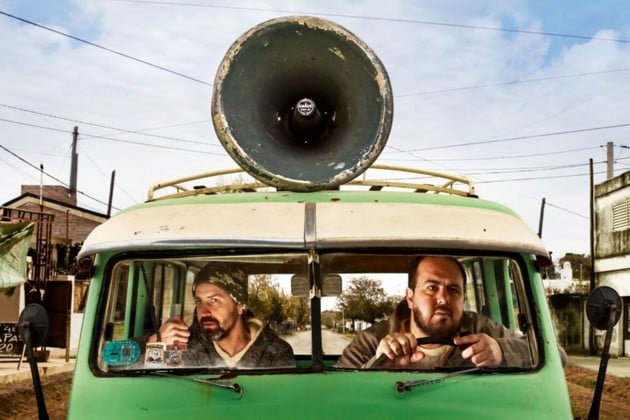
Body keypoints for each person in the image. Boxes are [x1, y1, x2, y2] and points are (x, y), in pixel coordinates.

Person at [336, 256, 531, 369]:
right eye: (431, 287)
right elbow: (336, 393)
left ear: (463, 298)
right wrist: (377, 365)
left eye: (453, 290)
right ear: (410, 298)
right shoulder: (372, 340)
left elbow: (546, 353)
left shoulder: (480, 328)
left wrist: (501, 350)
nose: (443, 299)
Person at [147, 262, 295, 369]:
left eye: (214, 300)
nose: (204, 311)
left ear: (239, 307)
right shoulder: (187, 345)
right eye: (199, 301)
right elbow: (146, 376)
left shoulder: (276, 352)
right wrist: (154, 341)